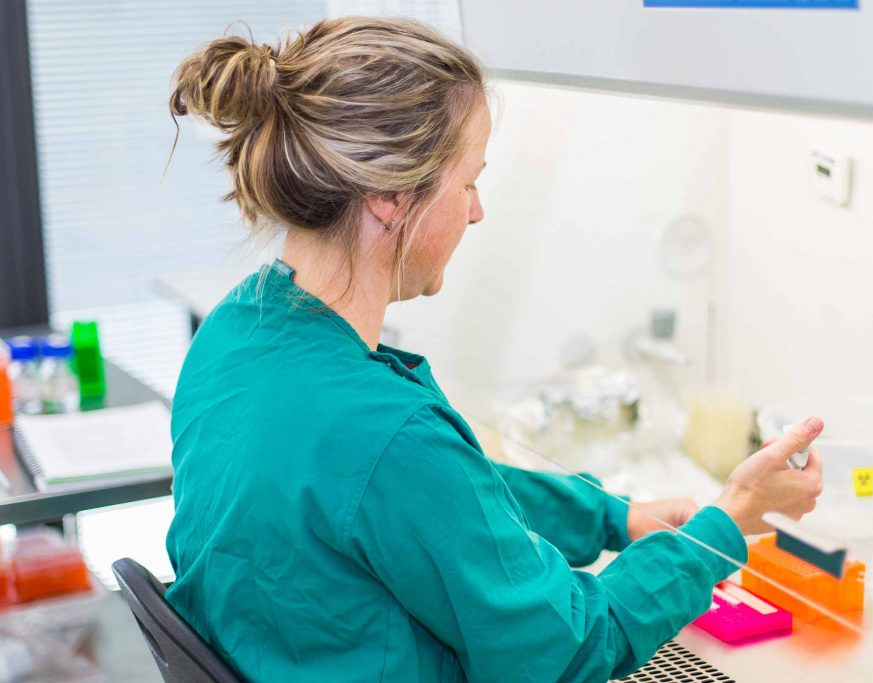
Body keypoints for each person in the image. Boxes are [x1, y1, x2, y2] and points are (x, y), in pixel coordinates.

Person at [164, 17, 824, 683]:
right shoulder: (387, 433)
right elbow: (571, 646)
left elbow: (440, 501)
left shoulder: (236, 331)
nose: (476, 211)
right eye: (469, 181)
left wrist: (612, 516)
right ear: (390, 196)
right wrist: (727, 521)